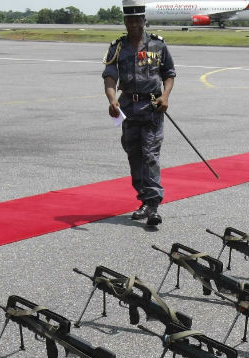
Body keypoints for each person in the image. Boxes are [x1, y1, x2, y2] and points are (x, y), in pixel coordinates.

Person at [102, 0, 176, 228]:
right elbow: (110, 77)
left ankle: (153, 205)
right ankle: (144, 199)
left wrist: (166, 96)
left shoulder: (158, 45)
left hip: (152, 109)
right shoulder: (117, 47)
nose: (134, 24)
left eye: (138, 20)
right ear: (125, 22)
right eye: (130, 20)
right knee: (134, 155)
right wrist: (112, 99)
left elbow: (169, 73)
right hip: (128, 110)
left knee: (150, 155)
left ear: (144, 21)